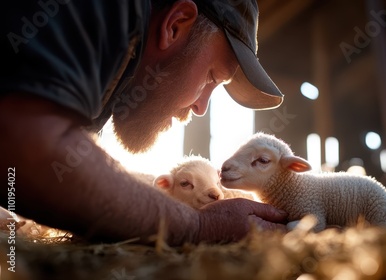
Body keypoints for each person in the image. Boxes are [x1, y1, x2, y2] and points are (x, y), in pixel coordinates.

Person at [0, 0, 288, 245]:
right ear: (175, 25)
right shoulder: (112, 9)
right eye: (211, 78)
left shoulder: (108, 76)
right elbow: (27, 146)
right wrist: (196, 227)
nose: (201, 108)